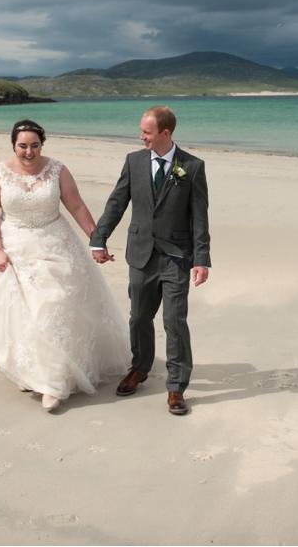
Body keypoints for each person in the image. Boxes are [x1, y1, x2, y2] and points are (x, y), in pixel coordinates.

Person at [0, 119, 131, 412]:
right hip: (12, 244)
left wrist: (96, 239)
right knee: (20, 312)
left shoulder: (57, 170)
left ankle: (53, 379)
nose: (29, 152)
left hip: (55, 243)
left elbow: (76, 206)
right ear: (13, 144)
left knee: (56, 304)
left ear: (43, 144)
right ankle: (43, 379)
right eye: (23, 146)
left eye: (35, 146)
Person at [90, 105, 213, 416]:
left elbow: (200, 217)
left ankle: (176, 386)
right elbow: (117, 202)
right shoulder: (134, 162)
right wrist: (98, 238)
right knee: (139, 317)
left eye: (146, 132)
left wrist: (202, 259)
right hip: (141, 254)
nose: (141, 136)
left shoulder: (192, 167)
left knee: (174, 322)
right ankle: (140, 368)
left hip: (176, 257)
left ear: (165, 133)